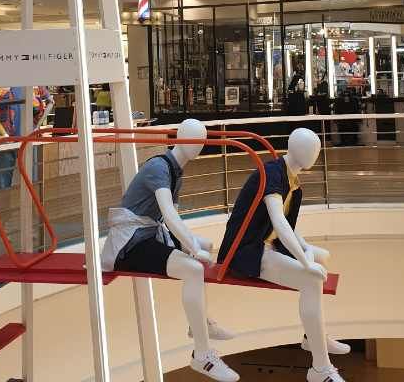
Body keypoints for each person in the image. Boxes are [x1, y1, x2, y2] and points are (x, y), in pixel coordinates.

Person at [101, 119, 238, 381]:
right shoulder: (159, 168)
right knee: (193, 268)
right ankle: (202, 355)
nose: (199, 146)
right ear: (181, 139)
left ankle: (201, 322)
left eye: (202, 141)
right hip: (130, 244)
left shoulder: (175, 171)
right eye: (195, 140)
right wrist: (192, 249)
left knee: (205, 247)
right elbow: (169, 215)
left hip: (148, 233)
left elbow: (170, 219)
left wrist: (195, 245)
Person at [217, 129, 349, 382]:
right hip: (247, 251)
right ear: (300, 150)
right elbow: (278, 221)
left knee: (322, 257)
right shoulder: (273, 173)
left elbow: (288, 227)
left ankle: (314, 337)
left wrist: (306, 249)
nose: (317, 154)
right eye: (313, 149)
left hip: (269, 244)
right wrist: (304, 261)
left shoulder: (293, 183)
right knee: (311, 279)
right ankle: (320, 368)